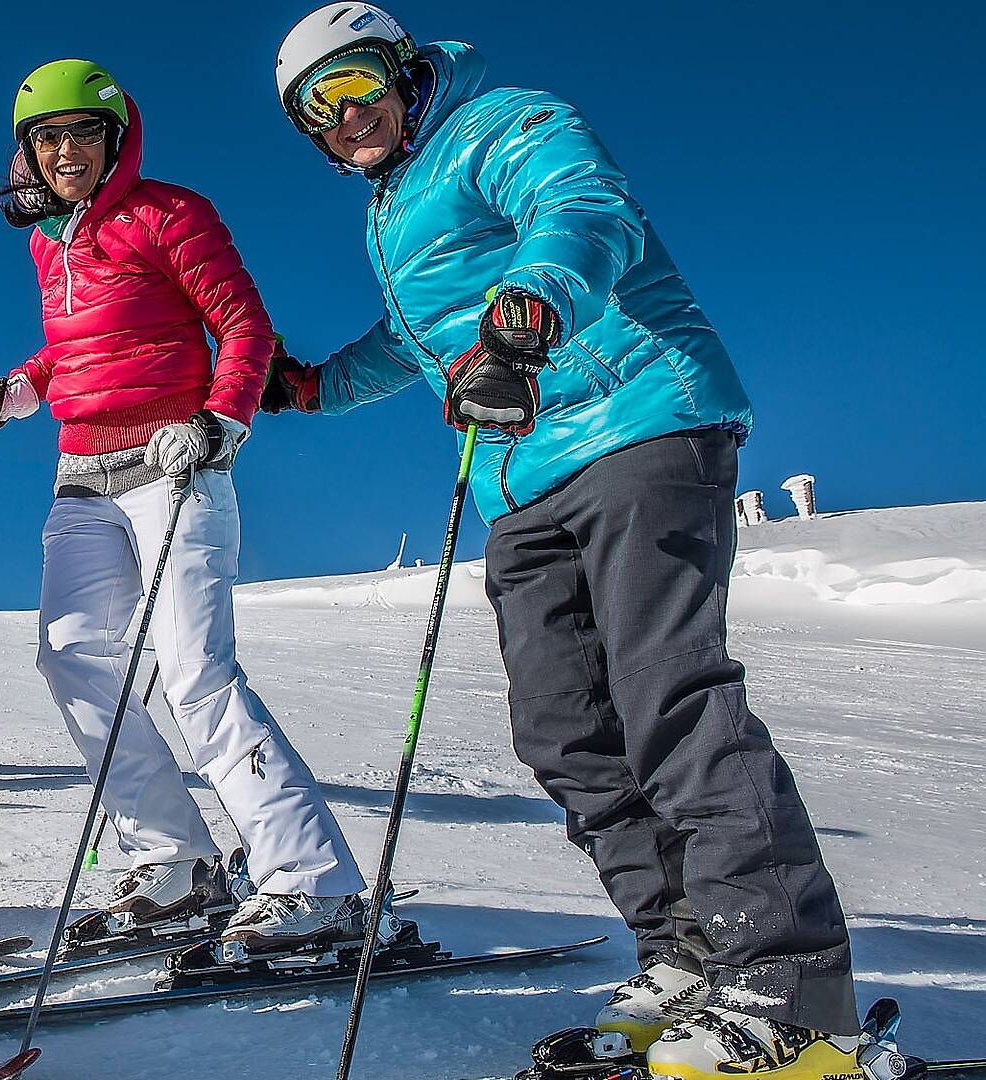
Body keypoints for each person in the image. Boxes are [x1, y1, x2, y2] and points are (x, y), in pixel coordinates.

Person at [268, 7, 857, 1078]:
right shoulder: (390, 213)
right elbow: (414, 341)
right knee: (564, 729)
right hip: (517, 476)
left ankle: (791, 996)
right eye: (319, 106)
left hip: (638, 420)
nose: (347, 115)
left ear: (401, 70)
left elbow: (583, 209)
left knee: (669, 699)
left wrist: (529, 311)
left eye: (357, 83)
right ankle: (684, 954)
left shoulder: (500, 122)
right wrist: (310, 387)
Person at [0, 59, 388, 961]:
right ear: (29, 152)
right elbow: (76, 349)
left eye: (81, 133)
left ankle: (317, 882)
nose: (64, 150)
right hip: (81, 474)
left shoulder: (168, 211)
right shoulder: (49, 242)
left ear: (116, 138)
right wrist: (15, 391)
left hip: (170, 463)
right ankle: (173, 864)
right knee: (72, 659)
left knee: (194, 669)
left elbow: (243, 324)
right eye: (47, 137)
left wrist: (220, 421)